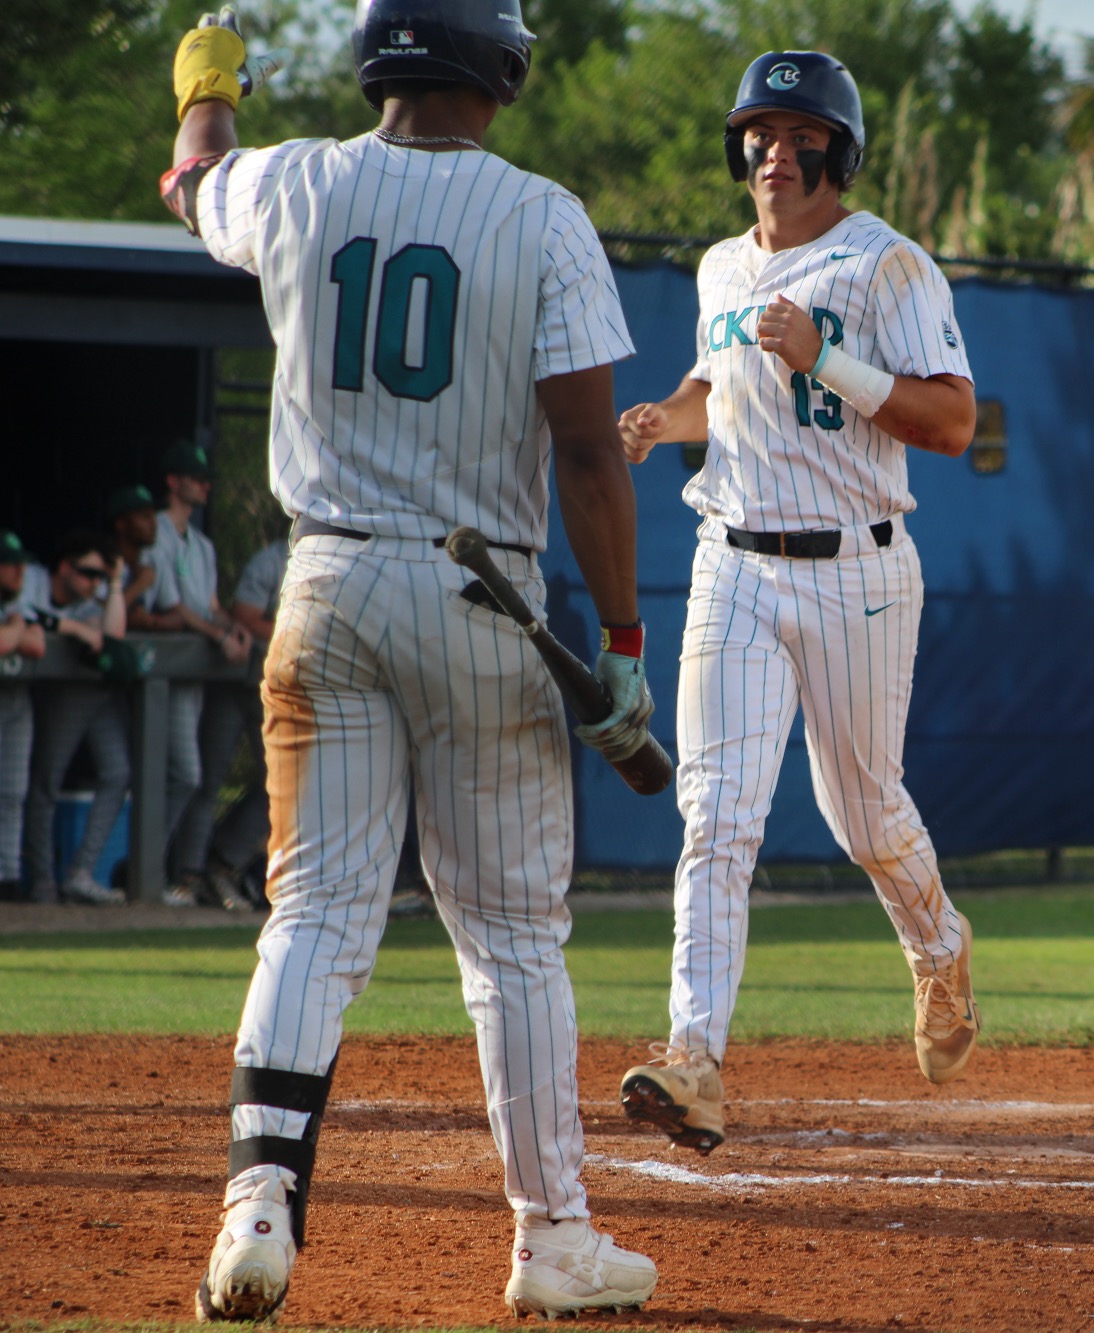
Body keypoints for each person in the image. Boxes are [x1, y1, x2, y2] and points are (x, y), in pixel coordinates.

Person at [160, 2, 657, 1319]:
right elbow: (592, 450)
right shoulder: (542, 214)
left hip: (323, 586)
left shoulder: (297, 179)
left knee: (315, 914)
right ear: (499, 64)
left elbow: (195, 178)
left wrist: (208, 82)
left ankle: (257, 1206)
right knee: (511, 940)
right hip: (481, 590)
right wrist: (620, 644)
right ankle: (552, 1239)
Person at [614, 50, 980, 1156]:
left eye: (796, 132)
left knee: (863, 815)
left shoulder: (887, 266)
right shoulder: (721, 268)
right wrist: (663, 420)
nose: (774, 150)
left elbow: (954, 421)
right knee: (716, 816)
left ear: (837, 148)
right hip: (732, 558)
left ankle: (937, 947)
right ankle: (695, 1058)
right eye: (758, 133)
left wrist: (829, 360)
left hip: (857, 566)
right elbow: (715, 395)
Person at [144, 442, 254, 907]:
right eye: (197, 478)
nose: (206, 485)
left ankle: (174, 874)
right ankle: (148, 873)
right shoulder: (156, 532)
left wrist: (236, 630)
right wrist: (219, 634)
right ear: (174, 481)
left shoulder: (202, 544)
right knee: (177, 774)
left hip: (192, 676)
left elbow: (210, 606)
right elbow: (172, 605)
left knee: (191, 776)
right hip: (157, 669)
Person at [175, 536, 287, 912]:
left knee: (282, 780)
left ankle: (222, 862)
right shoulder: (271, 559)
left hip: (280, 685)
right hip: (237, 679)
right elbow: (246, 613)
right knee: (207, 779)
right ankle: (186, 875)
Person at [19, 531, 130, 906]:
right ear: (65, 567)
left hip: (88, 691)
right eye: (88, 574)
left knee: (118, 773)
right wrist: (77, 629)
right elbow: (25, 616)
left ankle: (80, 873)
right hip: (48, 693)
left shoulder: (93, 596)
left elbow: (113, 634)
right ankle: (42, 882)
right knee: (45, 782)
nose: (93, 583)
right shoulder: (31, 578)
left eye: (100, 577)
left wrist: (115, 584)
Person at [0, 530, 47, 899]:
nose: (18, 572)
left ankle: (9, 877)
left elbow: (37, 644)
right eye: (10, 565)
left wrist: (16, 627)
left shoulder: (18, 605)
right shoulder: (16, 613)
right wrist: (17, 628)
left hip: (14, 702)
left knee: (13, 790)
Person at [106, 485, 165, 620]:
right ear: (120, 524)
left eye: (154, 516)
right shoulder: (102, 562)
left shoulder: (150, 564)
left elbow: (177, 614)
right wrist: (139, 585)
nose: (154, 524)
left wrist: (151, 622)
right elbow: (98, 615)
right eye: (145, 516)